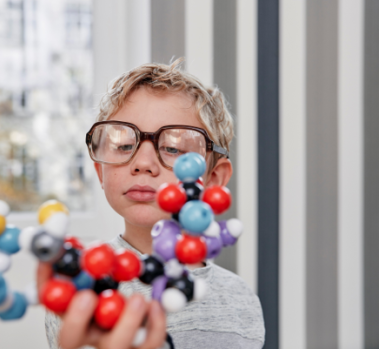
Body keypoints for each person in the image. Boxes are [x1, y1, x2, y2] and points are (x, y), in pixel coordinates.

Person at [37, 59, 265, 349]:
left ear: (213, 179)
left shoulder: (241, 299)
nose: (143, 163)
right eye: (123, 146)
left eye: (173, 147)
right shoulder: (82, 286)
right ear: (100, 171)